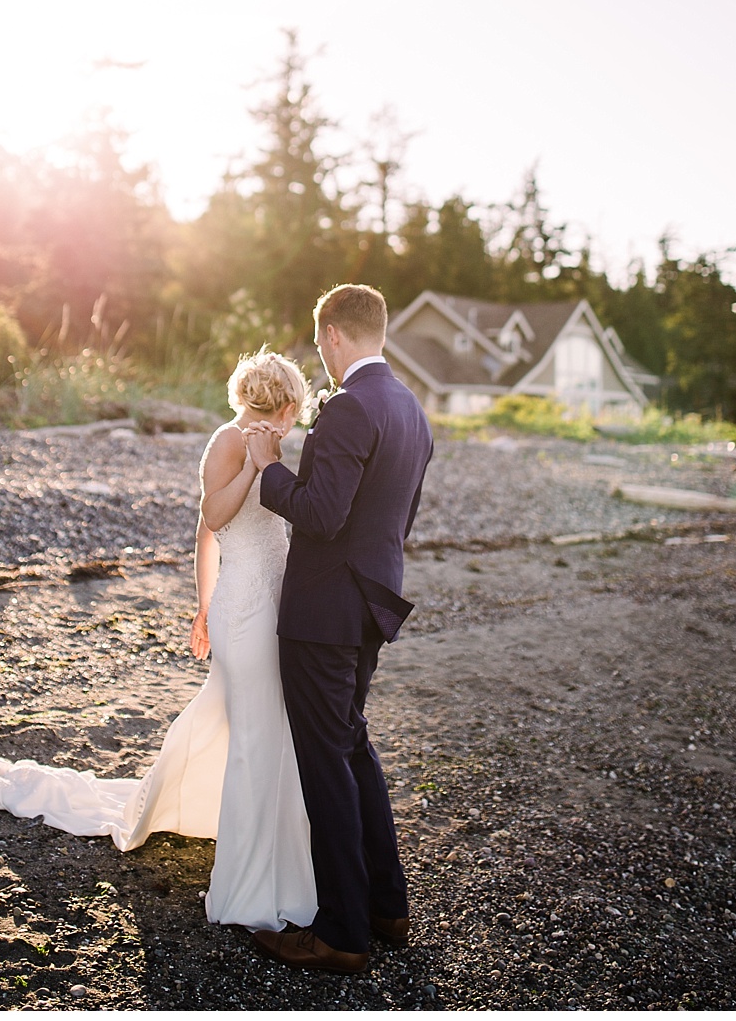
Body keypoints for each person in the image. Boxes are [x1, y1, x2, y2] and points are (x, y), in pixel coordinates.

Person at [0, 349, 317, 933]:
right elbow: (212, 519)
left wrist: (202, 603)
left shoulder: (272, 446)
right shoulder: (228, 441)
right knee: (256, 733)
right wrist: (254, 471)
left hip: (269, 603)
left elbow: (223, 535)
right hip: (245, 611)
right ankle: (248, 882)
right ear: (289, 404)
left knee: (257, 725)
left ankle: (255, 839)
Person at [245, 283, 434, 975]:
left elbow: (321, 515)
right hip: (374, 603)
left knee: (327, 766)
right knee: (353, 749)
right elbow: (396, 517)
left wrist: (270, 468)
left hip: (325, 613)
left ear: (332, 335)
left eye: (321, 342)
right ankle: (387, 906)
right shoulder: (412, 408)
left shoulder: (351, 407)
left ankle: (344, 932)